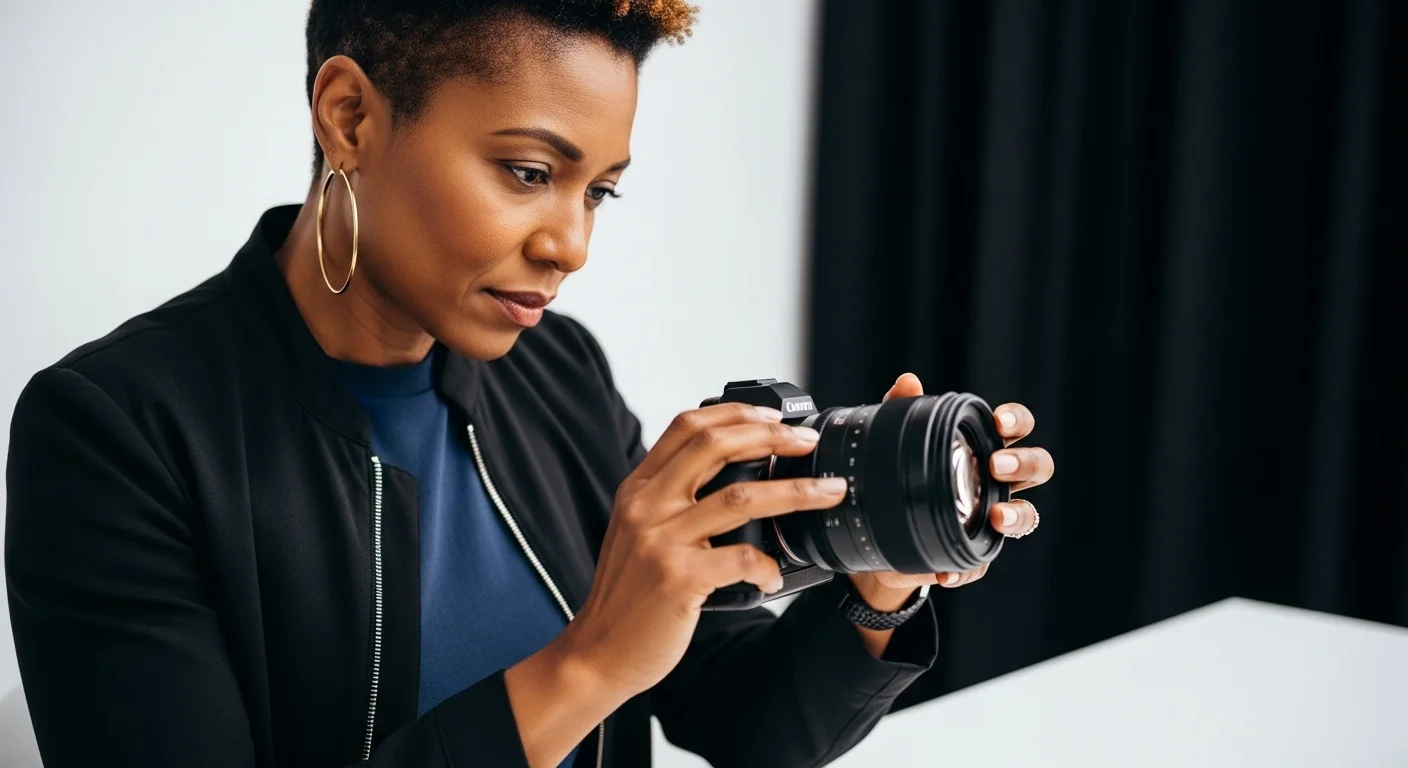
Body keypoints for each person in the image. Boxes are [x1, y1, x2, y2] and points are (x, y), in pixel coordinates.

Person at [3, 2, 1055, 766]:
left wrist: (883, 562)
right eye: (526, 172)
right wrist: (589, 663)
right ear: (350, 117)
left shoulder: (557, 372)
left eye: (599, 191)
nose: (570, 245)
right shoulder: (114, 434)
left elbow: (747, 723)